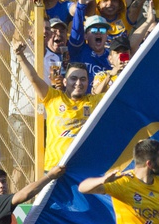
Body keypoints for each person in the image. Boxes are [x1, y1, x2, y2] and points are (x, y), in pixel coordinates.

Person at [14, 41, 105, 172]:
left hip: (83, 169)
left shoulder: (96, 101)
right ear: (65, 81)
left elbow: (122, 91)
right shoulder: (54, 97)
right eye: (74, 78)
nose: (78, 83)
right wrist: (20, 56)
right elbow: (34, 78)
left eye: (83, 79)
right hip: (54, 168)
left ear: (88, 82)